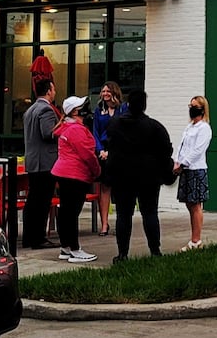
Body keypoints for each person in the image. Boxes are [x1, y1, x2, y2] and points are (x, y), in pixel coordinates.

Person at [104, 88, 173, 261]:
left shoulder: (115, 125)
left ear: (128, 104)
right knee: (150, 213)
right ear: (144, 105)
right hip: (148, 178)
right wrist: (166, 172)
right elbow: (166, 152)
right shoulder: (154, 127)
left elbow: (110, 149)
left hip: (122, 178)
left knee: (123, 215)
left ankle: (122, 254)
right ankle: (155, 252)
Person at [51, 96, 101, 263]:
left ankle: (65, 247)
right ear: (74, 111)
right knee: (72, 213)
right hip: (75, 174)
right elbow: (87, 154)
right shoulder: (77, 130)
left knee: (66, 212)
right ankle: (75, 249)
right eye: (82, 106)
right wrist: (97, 171)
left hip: (63, 173)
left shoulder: (66, 127)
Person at [21, 78, 60, 249]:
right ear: (49, 90)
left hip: (32, 160)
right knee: (42, 202)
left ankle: (29, 237)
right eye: (53, 88)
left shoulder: (30, 110)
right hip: (45, 162)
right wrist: (62, 127)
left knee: (33, 200)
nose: (54, 91)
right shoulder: (46, 110)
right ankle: (39, 237)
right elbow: (48, 134)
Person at [174, 95, 211, 251]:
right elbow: (182, 146)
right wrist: (176, 161)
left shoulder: (204, 128)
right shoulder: (189, 128)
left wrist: (183, 163)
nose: (191, 109)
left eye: (194, 106)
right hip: (186, 169)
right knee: (189, 204)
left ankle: (196, 240)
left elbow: (198, 150)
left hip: (196, 169)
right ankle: (194, 237)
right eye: (190, 106)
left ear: (202, 109)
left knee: (196, 205)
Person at [89, 81, 126, 236]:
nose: (104, 94)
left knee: (121, 189)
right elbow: (95, 132)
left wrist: (113, 150)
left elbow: (125, 131)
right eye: (102, 91)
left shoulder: (123, 109)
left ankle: (121, 222)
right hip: (103, 153)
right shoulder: (99, 111)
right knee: (105, 188)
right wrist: (100, 150)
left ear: (114, 92)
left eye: (107, 91)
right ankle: (104, 224)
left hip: (118, 152)